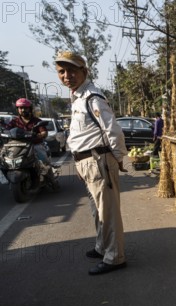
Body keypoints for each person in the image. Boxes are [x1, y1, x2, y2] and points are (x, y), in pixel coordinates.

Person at [55, 51, 128, 275]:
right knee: (97, 211)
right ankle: (102, 247)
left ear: (84, 72)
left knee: (108, 212)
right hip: (87, 162)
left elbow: (113, 131)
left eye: (72, 71)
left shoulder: (92, 98)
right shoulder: (78, 97)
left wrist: (118, 159)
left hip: (99, 161)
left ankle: (115, 257)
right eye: (62, 71)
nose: (67, 75)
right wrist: (79, 163)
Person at [6, 98, 51, 168]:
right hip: (17, 146)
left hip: (34, 145)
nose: (23, 110)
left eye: (25, 108)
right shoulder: (14, 121)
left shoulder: (37, 121)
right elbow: (7, 130)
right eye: (20, 108)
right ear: (17, 109)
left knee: (45, 162)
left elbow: (44, 132)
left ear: (30, 109)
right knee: (5, 160)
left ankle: (49, 175)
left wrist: (39, 135)